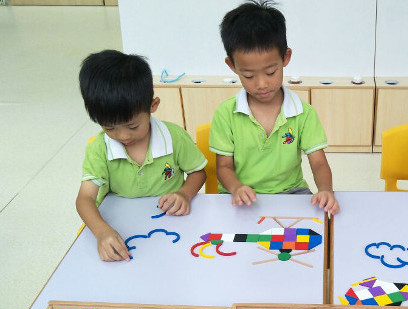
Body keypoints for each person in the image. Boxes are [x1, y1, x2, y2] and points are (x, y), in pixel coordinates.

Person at [76, 50, 207, 261]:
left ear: (152, 106)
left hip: (174, 230)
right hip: (121, 227)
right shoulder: (100, 148)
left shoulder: (174, 137)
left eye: (133, 126)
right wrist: (101, 232)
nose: (123, 136)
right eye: (110, 128)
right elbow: (85, 198)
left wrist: (184, 194)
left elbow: (197, 172)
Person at [210, 0, 339, 215]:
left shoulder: (303, 113)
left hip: (291, 192)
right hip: (240, 195)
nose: (261, 84)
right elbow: (223, 167)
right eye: (249, 75)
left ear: (286, 57)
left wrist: (326, 190)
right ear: (232, 66)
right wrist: (236, 187)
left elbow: (318, 163)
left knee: (311, 238)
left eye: (270, 72)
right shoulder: (226, 114)